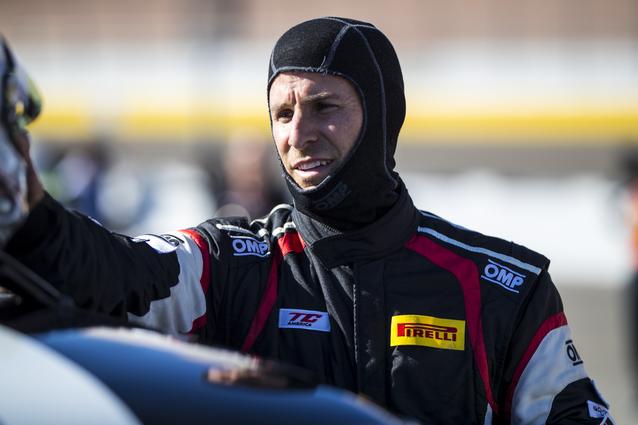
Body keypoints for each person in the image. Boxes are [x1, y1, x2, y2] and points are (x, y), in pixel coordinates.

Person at [5, 18, 614, 424]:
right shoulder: (230, 265)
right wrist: (28, 214)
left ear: (381, 117)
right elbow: (112, 274)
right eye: (283, 113)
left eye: (325, 106)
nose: (299, 134)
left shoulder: (505, 288)